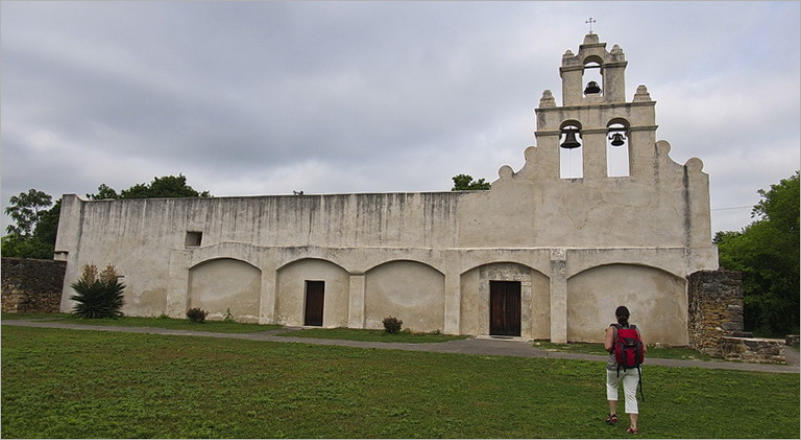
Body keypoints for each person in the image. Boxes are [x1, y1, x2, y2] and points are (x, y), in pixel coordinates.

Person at [604, 305, 646, 434]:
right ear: (629, 316)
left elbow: (607, 347)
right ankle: (633, 425)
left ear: (616, 316)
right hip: (634, 367)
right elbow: (644, 349)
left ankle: (613, 414)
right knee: (631, 395)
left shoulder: (613, 329)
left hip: (615, 366)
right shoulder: (635, 329)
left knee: (612, 387)